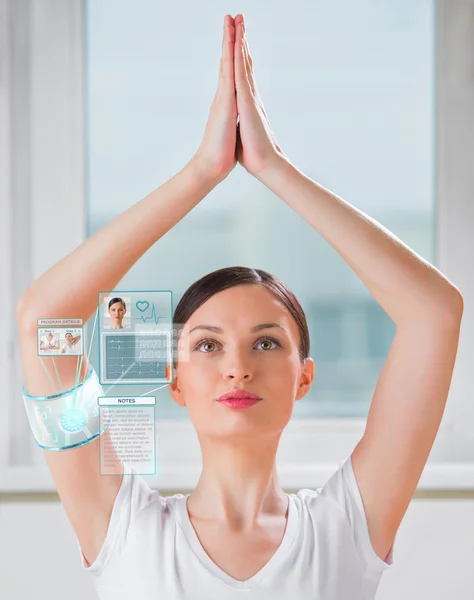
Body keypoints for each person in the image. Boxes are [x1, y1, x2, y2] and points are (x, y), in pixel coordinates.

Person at [15, 13, 464, 600]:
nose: (238, 366)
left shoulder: (345, 530)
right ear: (173, 381)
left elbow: (436, 314)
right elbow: (44, 319)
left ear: (304, 376)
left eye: (267, 341)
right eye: (207, 344)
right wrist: (202, 172)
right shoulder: (123, 529)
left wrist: (273, 167)